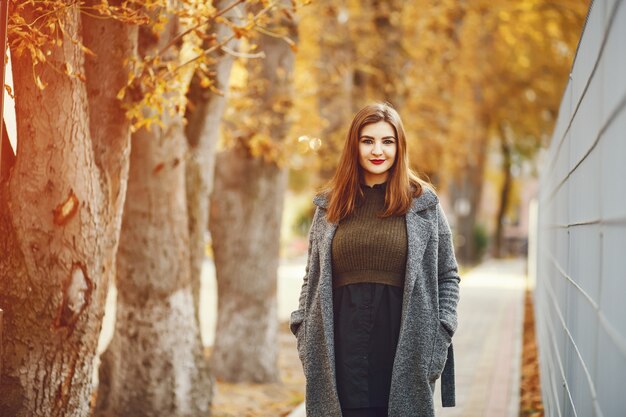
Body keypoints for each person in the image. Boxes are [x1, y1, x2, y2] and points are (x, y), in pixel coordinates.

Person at [289, 102, 461, 417]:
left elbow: (447, 276)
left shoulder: (423, 204)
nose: (377, 150)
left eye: (387, 141)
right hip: (339, 355)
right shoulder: (330, 206)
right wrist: (303, 330)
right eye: (367, 140)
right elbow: (311, 277)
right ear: (354, 145)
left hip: (404, 351)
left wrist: (440, 334)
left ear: (400, 146)